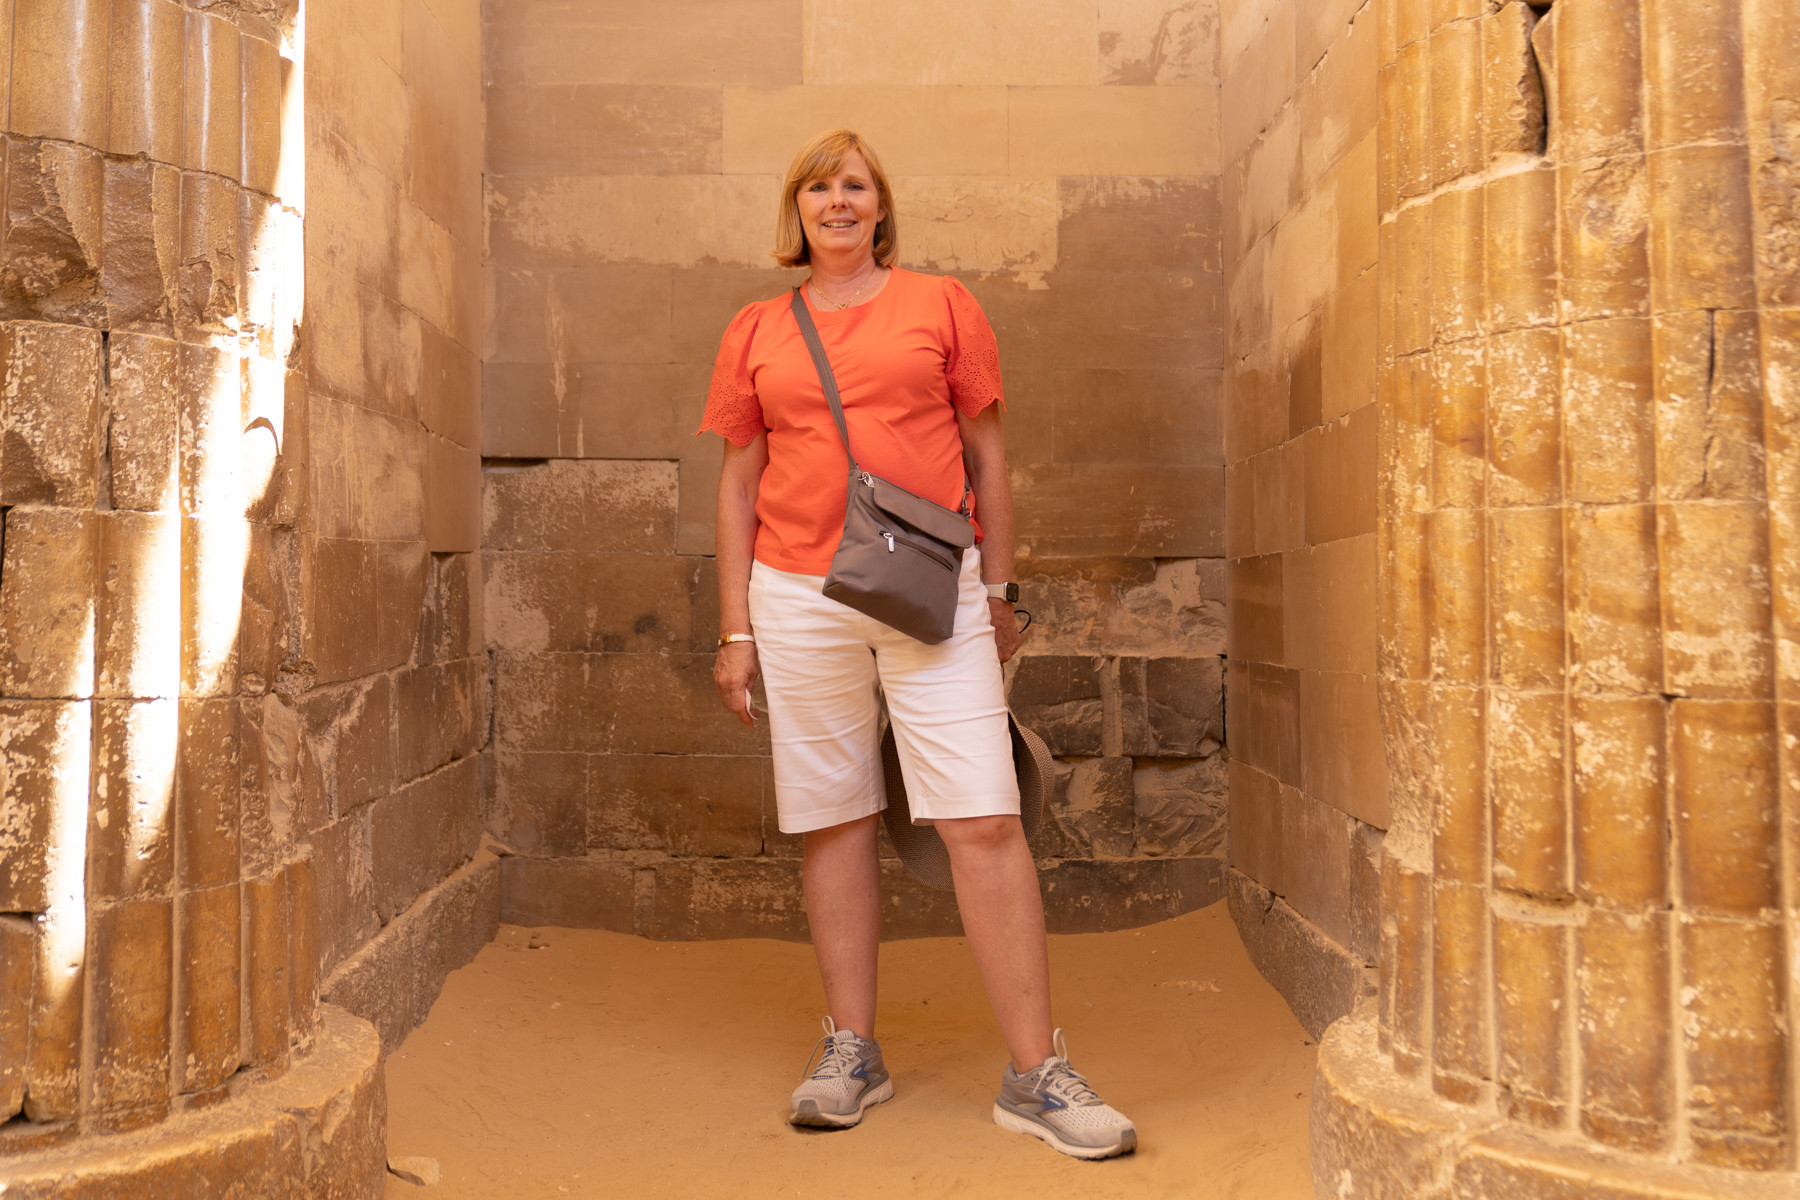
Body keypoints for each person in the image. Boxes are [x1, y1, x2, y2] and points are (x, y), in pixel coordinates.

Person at [699, 129, 1137, 1161]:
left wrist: (1001, 588)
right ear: (797, 209)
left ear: (881, 207)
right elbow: (737, 483)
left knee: (983, 817)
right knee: (833, 816)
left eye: (855, 186)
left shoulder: (941, 304)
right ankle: (851, 1050)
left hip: (930, 586)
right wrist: (735, 627)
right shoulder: (758, 328)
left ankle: (1037, 1072)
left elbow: (987, 452)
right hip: (796, 594)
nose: (837, 202)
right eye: (819, 187)